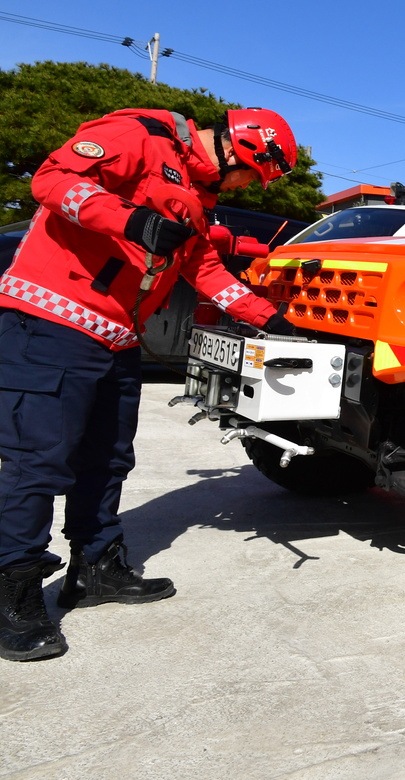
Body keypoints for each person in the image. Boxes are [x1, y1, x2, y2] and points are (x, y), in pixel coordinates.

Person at [0, 106, 300, 661]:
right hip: (52, 321)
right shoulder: (138, 137)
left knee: (109, 459)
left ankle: (95, 569)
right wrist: (129, 220)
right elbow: (51, 180)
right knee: (35, 463)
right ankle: (11, 596)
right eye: (250, 176)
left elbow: (204, 270)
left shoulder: (193, 192)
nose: (246, 187)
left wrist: (272, 320)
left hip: (116, 337)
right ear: (240, 149)